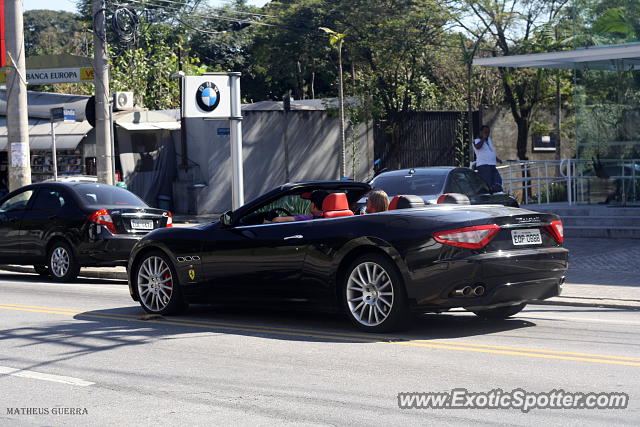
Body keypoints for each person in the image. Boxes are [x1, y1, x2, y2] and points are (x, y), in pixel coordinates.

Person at [473, 125, 503, 192]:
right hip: (484, 166)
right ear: (480, 132)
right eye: (485, 132)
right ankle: (487, 197)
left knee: (498, 181)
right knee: (487, 183)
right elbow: (478, 147)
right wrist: (483, 138)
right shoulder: (476, 141)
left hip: (492, 165)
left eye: (488, 132)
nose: (487, 133)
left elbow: (490, 151)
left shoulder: (489, 140)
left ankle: (495, 195)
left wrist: (497, 159)